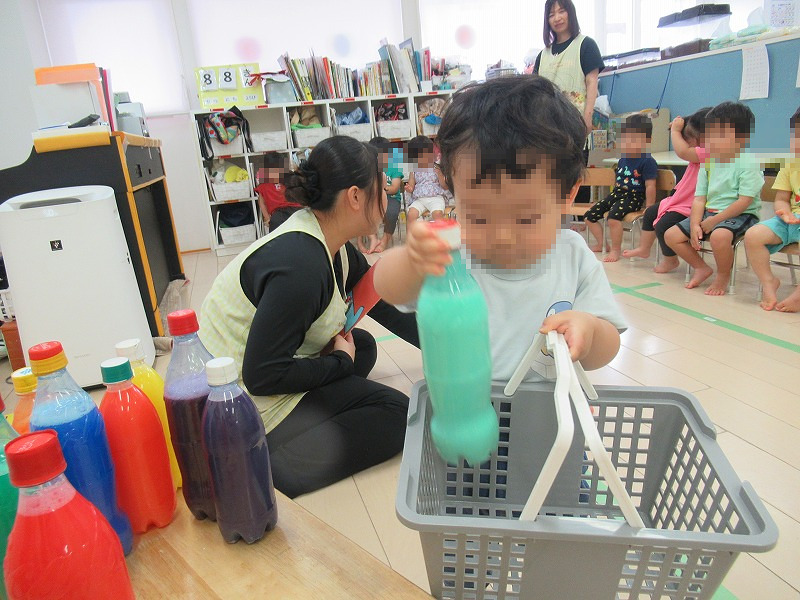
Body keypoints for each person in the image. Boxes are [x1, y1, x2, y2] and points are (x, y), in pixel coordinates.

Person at [198, 136, 419, 499]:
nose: (387, 195)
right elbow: (262, 376)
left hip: (258, 366)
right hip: (240, 403)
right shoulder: (301, 266)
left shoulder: (328, 238)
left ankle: (315, 411)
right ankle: (267, 466)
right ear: (355, 197)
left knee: (363, 346)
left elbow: (379, 300)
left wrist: (444, 349)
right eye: (381, 187)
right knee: (396, 412)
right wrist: (337, 364)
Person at [373, 75, 625, 383]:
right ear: (453, 191)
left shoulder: (572, 255)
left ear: (567, 193)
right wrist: (411, 261)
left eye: (526, 218)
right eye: (478, 216)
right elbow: (387, 287)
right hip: (464, 401)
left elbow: (609, 343)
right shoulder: (452, 254)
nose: (502, 236)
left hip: (549, 406)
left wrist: (590, 331)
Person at [665, 102, 763, 296]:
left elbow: (744, 202)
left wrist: (715, 220)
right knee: (671, 236)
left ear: (742, 138)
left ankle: (723, 275)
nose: (712, 140)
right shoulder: (708, 163)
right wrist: (695, 223)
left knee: (720, 236)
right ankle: (701, 267)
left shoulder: (748, 163)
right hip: (710, 213)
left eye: (720, 135)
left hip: (741, 214)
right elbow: (699, 199)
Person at [534, 0, 605, 213]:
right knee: (549, 175)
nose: (557, 18)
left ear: (570, 13)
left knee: (575, 173)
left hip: (575, 123)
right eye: (551, 14)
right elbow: (535, 90)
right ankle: (552, 219)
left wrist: (587, 117)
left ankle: (578, 222)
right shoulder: (542, 55)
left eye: (561, 11)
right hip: (547, 126)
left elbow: (592, 81)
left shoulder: (586, 45)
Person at [623, 107, 712, 272]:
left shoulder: (709, 152)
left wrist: (676, 131)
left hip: (694, 205)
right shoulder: (700, 151)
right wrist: (681, 124)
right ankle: (644, 248)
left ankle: (673, 260)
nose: (687, 142)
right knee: (650, 213)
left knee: (664, 224)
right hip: (682, 200)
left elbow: (682, 151)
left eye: (689, 138)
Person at [744, 106, 800, 312]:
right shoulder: (790, 165)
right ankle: (769, 282)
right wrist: (784, 212)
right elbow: (782, 199)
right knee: (753, 236)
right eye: (796, 137)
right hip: (790, 220)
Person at [584, 114, 658, 262]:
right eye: (626, 139)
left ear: (647, 140)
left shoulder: (648, 161)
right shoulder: (622, 159)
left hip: (633, 197)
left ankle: (616, 250)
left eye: (634, 139)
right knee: (589, 216)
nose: (629, 143)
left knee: (613, 218)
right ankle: (602, 243)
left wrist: (649, 206)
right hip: (617, 194)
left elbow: (650, 185)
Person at [360, 137, 405, 254]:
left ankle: (384, 241)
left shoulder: (394, 167)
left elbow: (394, 188)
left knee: (391, 213)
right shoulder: (370, 169)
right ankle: (373, 239)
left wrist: (381, 189)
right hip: (374, 198)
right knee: (364, 211)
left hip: (392, 198)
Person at [405, 135, 450, 223]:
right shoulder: (414, 169)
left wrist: (440, 174)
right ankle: (410, 232)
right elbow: (411, 185)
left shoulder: (437, 166)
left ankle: (439, 231)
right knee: (411, 214)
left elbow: (445, 186)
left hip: (436, 198)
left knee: (437, 213)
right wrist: (409, 188)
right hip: (419, 199)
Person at [254, 152, 303, 233]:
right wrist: (268, 218)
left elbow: (300, 194)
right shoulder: (264, 185)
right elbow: (261, 202)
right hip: (281, 214)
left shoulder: (290, 179)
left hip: (295, 211)